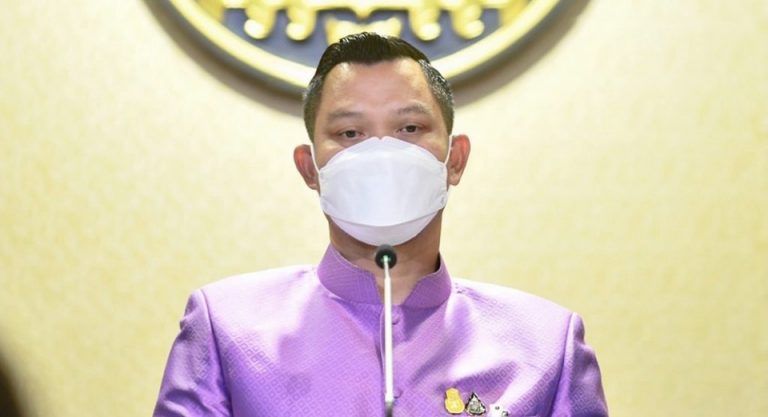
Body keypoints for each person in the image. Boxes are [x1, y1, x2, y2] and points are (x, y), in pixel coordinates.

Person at [153, 32, 608, 417]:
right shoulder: (228, 329)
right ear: (310, 169)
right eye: (350, 133)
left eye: (409, 129)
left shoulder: (546, 346)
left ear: (455, 160)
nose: (382, 153)